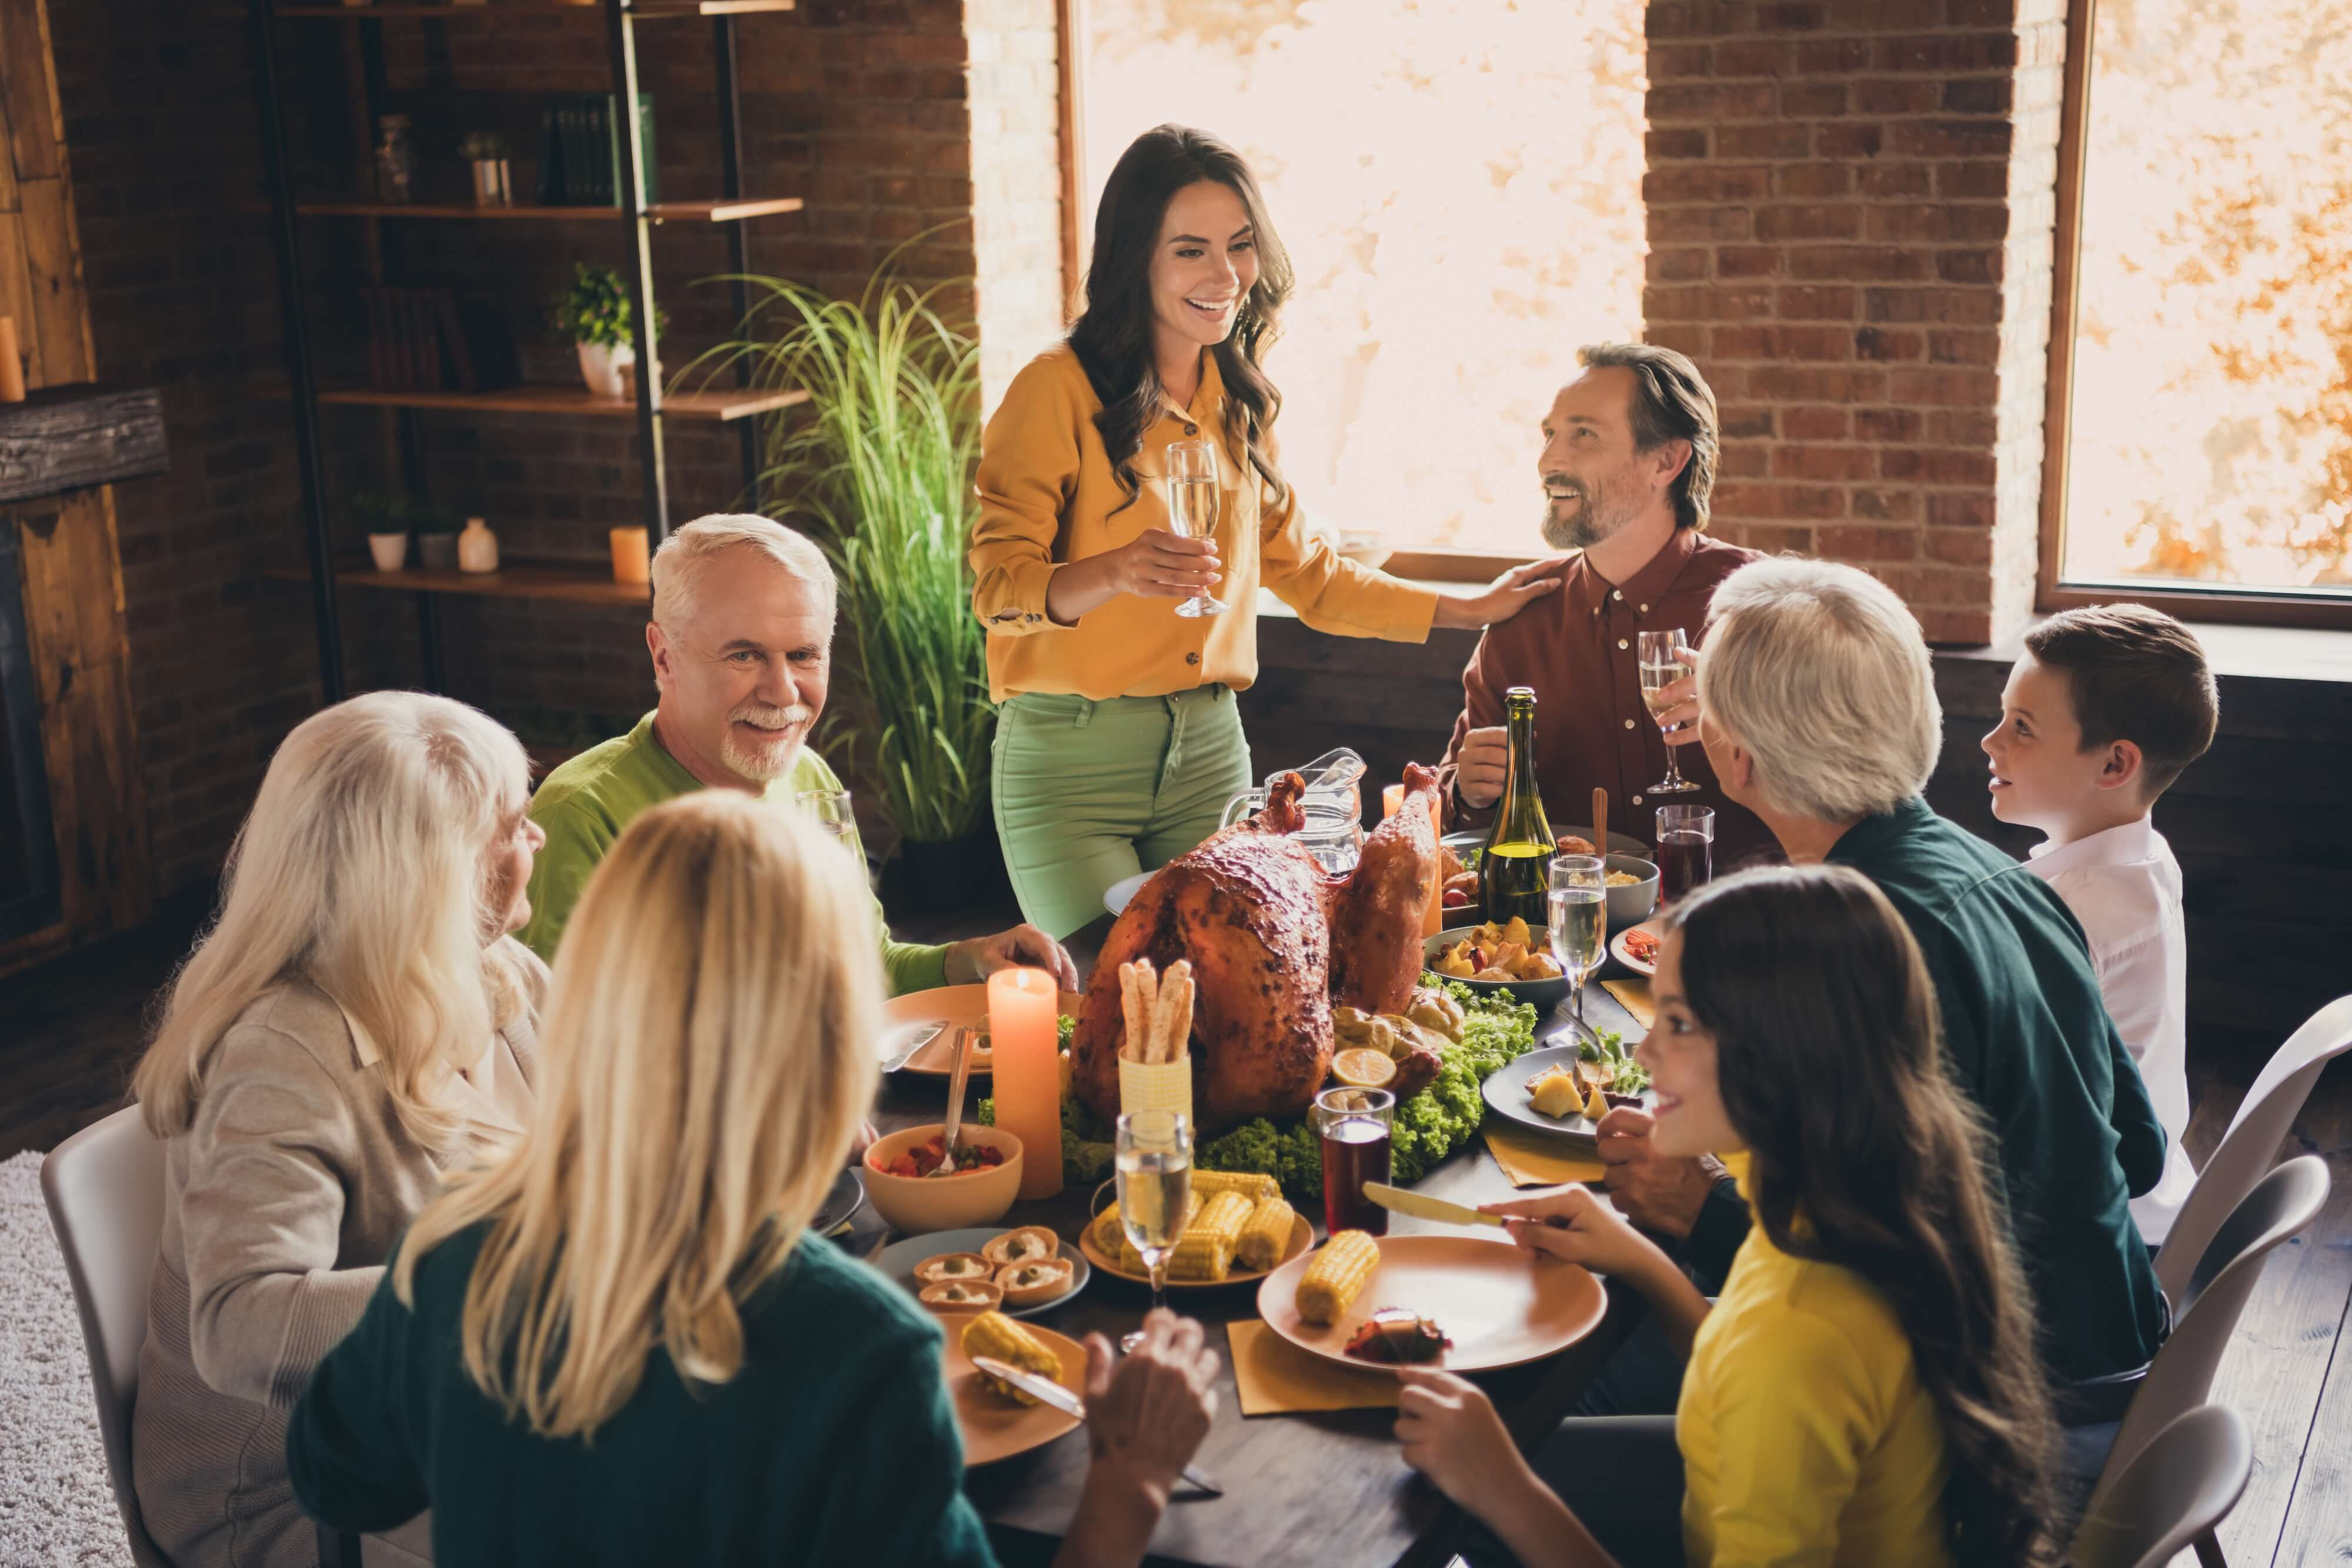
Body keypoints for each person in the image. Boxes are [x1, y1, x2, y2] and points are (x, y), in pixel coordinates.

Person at [286, 791, 1221, 1567]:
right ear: (828, 1043)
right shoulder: (859, 1351)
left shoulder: (450, 1250)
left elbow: (334, 1473)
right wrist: (1130, 1480)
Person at [1593, 558, 2166, 1396]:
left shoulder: (1859, 943)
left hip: (2004, 1404)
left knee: (1563, 1376)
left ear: (1739, 755)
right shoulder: (2006, 877)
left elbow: (1882, 1288)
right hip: (2117, 1339)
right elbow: (2140, 1151)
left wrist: (1698, 1209)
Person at [969, 123, 1556, 937]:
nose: (1225, 275)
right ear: (1134, 258)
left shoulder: (1238, 401)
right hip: (1072, 762)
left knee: (1233, 995)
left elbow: (1309, 574)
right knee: (1124, 986)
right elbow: (997, 594)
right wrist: (1115, 570)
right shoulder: (1054, 389)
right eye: (1190, 251)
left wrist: (1467, 607)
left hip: (1210, 752)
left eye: (1239, 245)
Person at [1397, 866, 2061, 1568]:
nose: (1646, 1050)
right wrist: (1637, 1256)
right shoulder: (1848, 1197)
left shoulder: (1797, 1334)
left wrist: (1504, 1491)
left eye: (1677, 1023)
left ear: (1785, 1056)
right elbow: (1733, 1363)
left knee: (1458, 1504)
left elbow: (1771, 1361)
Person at [129, 692, 548, 1568]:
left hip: (465, 1408)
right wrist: (501, 1277)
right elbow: (241, 1324)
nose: (533, 841)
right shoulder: (282, 1056)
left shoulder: (502, 974)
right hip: (295, 1493)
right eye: (510, 825)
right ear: (432, 872)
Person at [520, 512, 1077, 994]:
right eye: (744, 655)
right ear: (664, 657)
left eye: (805, 654)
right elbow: (564, 1064)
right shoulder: (579, 816)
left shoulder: (808, 775)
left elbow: (862, 968)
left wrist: (968, 960)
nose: (783, 692)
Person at [1438, 343, 1772, 871]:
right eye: (1550, 434)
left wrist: (1758, 727)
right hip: (1559, 942)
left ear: (1667, 460)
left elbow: (1848, 794)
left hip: (1737, 935)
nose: (1549, 461)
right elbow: (1446, 817)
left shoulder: (1765, 607)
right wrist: (1466, 792)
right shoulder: (1520, 620)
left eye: (1584, 435)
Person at [1982, 604, 2217, 1247]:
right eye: (2003, 715)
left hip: (2092, 1235)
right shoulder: (2144, 858)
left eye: (2022, 728)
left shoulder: (2075, 913)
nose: (1991, 740)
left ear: (2114, 766)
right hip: (2153, 1202)